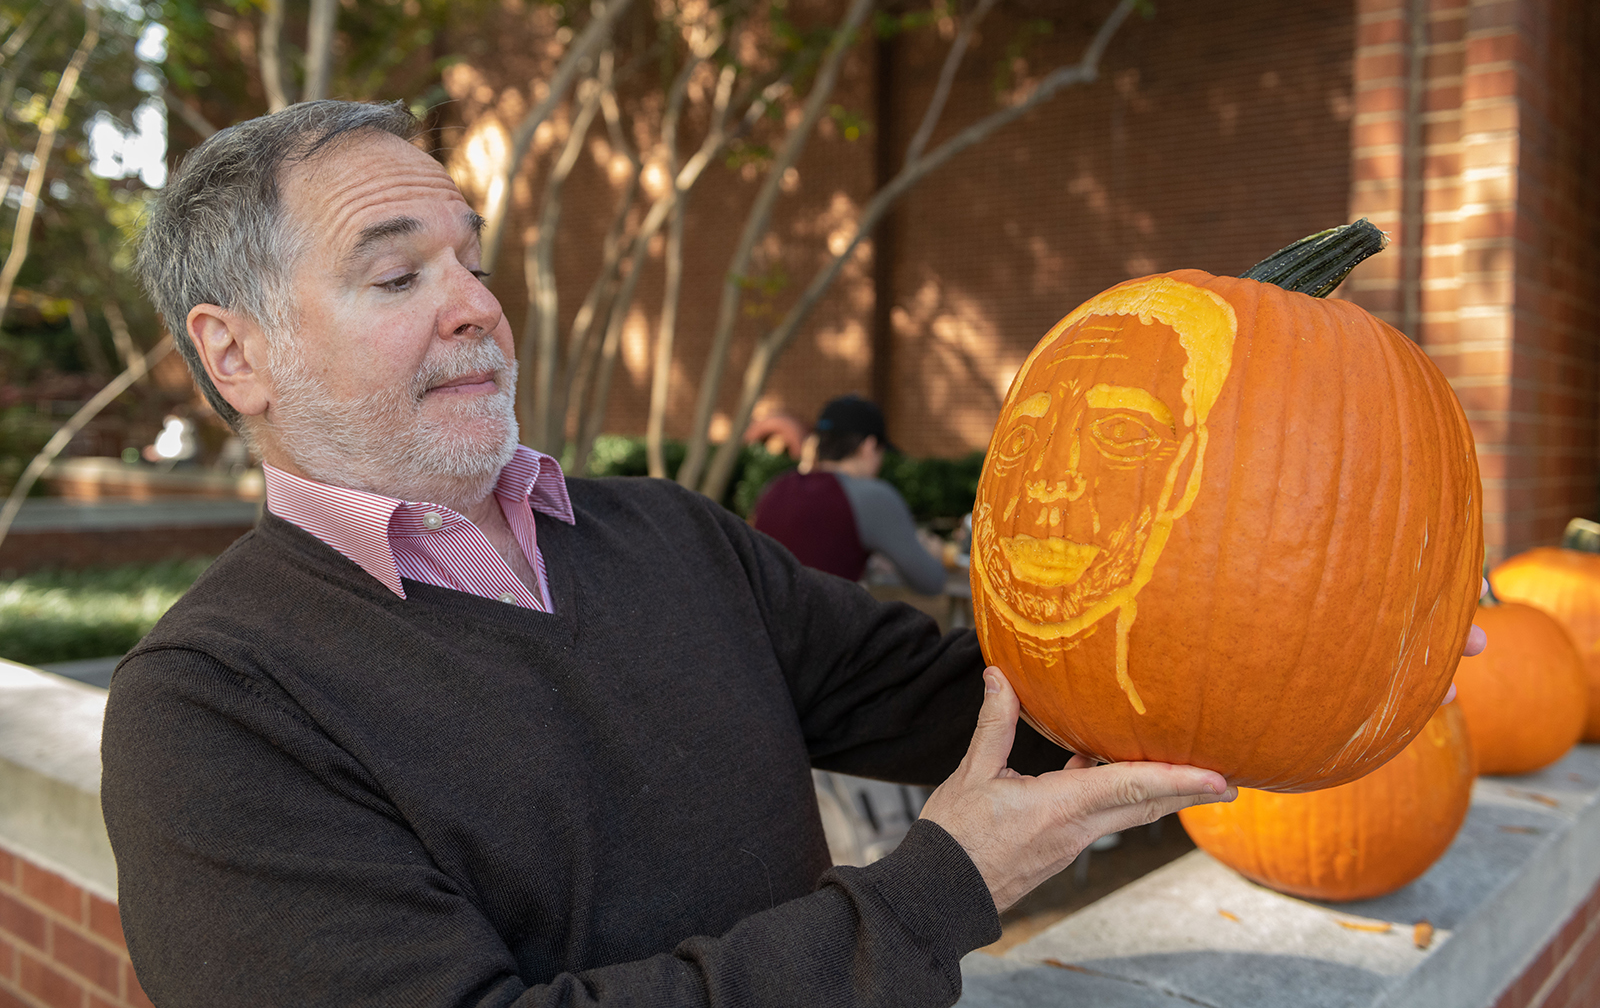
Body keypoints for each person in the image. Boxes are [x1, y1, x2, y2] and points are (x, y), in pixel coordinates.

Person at [101, 98, 1264, 1008]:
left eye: (472, 263)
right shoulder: (211, 710)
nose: (474, 308)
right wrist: (933, 892)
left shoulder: (668, 534)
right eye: (398, 275)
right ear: (235, 354)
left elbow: (976, 699)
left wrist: (1268, 635)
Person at [751, 395, 950, 595]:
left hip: (760, 622)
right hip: (824, 623)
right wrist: (933, 553)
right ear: (869, 446)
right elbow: (931, 582)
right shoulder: (872, 496)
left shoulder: (776, 487)